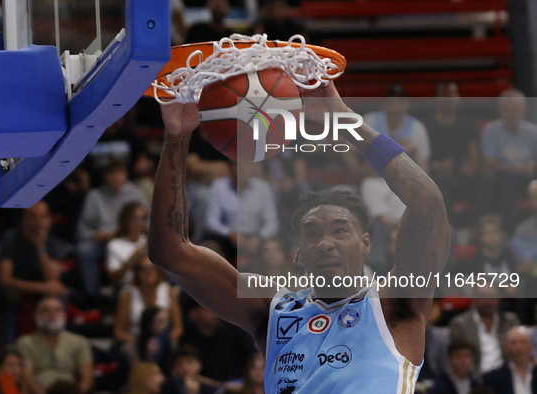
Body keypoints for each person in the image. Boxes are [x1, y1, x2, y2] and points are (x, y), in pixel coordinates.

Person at [149, 82, 450, 392]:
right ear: (299, 254)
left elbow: (427, 203)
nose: (325, 242)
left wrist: (342, 116)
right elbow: (170, 254)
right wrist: (177, 136)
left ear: (365, 244)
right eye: (312, 233)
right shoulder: (273, 309)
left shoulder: (395, 305)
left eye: (340, 229)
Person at [0, 201, 71, 344]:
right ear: (24, 218)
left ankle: (54, 341)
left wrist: (40, 247)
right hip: (16, 291)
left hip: (39, 293)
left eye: (43, 217)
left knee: (57, 297)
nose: (39, 223)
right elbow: (4, 279)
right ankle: (8, 345)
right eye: (34, 217)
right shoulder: (11, 238)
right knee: (7, 297)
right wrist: (42, 287)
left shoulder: (51, 242)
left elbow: (52, 278)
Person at [76, 157, 149, 299]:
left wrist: (134, 231)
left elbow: (148, 221)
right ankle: (93, 294)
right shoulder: (95, 196)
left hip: (131, 238)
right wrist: (97, 235)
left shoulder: (135, 193)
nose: (116, 177)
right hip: (104, 241)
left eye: (120, 172)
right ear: (104, 176)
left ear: (126, 174)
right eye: (111, 173)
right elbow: (81, 231)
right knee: (83, 251)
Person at [478, 89, 537, 234]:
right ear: (500, 111)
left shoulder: (533, 131)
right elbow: (490, 162)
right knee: (508, 179)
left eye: (515, 109)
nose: (511, 114)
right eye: (506, 110)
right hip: (503, 177)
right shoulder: (490, 130)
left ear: (523, 110)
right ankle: (511, 230)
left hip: (528, 176)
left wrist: (533, 164)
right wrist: (517, 168)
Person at [113, 256, 183, 366]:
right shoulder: (128, 294)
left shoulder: (169, 291)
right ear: (137, 272)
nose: (148, 272)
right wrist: (142, 341)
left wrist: (162, 340)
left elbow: (178, 328)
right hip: (136, 341)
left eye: (152, 268)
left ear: (159, 270)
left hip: (164, 340)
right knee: (129, 349)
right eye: (143, 269)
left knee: (173, 347)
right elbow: (119, 332)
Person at [16, 296, 94, 394]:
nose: (52, 315)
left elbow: (87, 379)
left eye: (57, 310)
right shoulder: (25, 342)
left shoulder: (79, 341)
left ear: (64, 314)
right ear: (35, 315)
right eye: (45, 310)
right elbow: (27, 377)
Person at [205, 161, 279, 259]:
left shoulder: (263, 188)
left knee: (272, 247)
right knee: (210, 248)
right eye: (238, 165)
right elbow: (211, 222)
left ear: (252, 168)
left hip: (256, 237)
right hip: (228, 237)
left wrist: (259, 236)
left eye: (246, 165)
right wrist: (229, 233)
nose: (242, 169)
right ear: (230, 167)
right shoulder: (218, 187)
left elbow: (272, 222)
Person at [426, 81, 480, 217]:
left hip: (463, 175)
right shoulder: (426, 126)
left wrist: (471, 166)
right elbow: (422, 160)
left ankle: (477, 224)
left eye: (452, 94)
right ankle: (448, 226)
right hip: (437, 176)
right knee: (440, 181)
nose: (449, 99)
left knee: (486, 179)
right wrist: (437, 166)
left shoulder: (468, 125)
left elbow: (475, 156)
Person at [449, 287, 520, 376]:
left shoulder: (510, 321)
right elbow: (457, 357)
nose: (487, 301)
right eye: (483, 296)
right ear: (474, 297)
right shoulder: (460, 324)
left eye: (492, 296)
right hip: (475, 378)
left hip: (506, 377)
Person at [363, 84, 431, 173]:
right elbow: (349, 149)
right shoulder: (369, 121)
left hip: (405, 181)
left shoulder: (417, 128)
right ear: (383, 104)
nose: (395, 108)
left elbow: (426, 172)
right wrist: (357, 171)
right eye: (391, 102)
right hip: (374, 179)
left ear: (407, 104)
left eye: (400, 102)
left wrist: (415, 151)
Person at [106, 202, 148, 291]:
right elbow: (114, 278)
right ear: (125, 220)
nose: (139, 222)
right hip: (126, 286)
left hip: (149, 285)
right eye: (135, 218)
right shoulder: (114, 245)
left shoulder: (149, 241)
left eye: (142, 218)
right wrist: (133, 259)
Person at [482, 326, 537, 394]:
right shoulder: (493, 378)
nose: (519, 347)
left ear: (531, 346)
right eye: (514, 342)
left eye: (523, 342)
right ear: (506, 348)